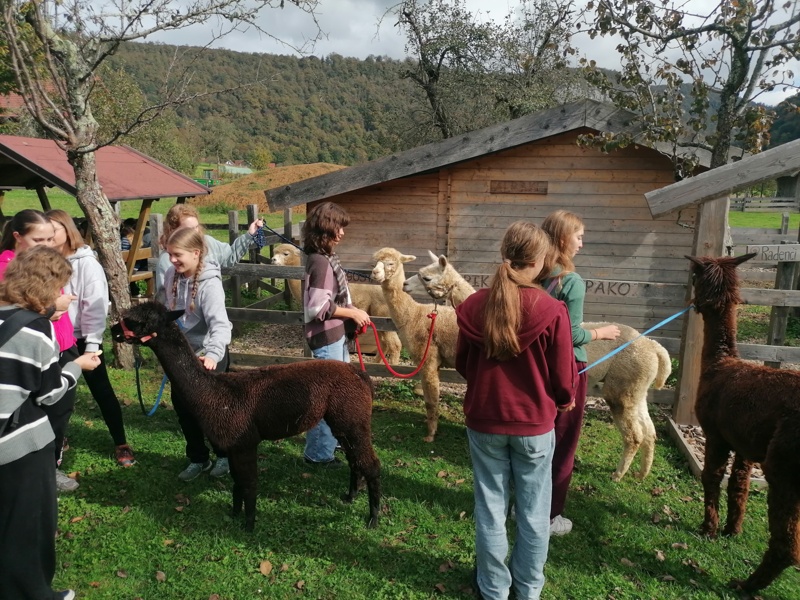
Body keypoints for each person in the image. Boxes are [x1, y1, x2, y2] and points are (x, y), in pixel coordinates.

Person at [455, 221, 577, 600]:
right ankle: (527, 590)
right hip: (534, 425)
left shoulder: (473, 305)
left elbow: (462, 363)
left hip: (484, 420)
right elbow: (563, 375)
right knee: (534, 511)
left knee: (491, 508)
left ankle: (493, 589)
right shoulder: (551, 309)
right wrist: (564, 397)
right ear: (540, 260)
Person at [0, 245, 101, 600]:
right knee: (27, 525)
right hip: (18, 446)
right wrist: (76, 366)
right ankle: (34, 593)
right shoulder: (35, 329)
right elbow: (49, 393)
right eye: (59, 287)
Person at [540, 210, 620, 537]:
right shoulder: (570, 281)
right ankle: (549, 516)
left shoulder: (534, 275)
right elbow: (571, 335)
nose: (581, 244)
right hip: (568, 368)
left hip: (537, 367)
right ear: (563, 239)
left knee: (537, 438)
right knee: (563, 441)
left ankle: (525, 505)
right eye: (579, 237)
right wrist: (602, 333)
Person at [0, 209, 81, 493]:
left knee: (59, 411)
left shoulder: (41, 263)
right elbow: (17, 312)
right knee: (41, 405)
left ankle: (48, 465)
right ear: (18, 237)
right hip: (32, 348)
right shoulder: (9, 266)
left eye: (50, 239)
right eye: (39, 240)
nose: (47, 245)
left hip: (58, 343)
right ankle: (39, 469)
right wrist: (52, 309)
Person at [47, 209, 136, 467]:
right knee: (56, 393)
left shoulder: (87, 264)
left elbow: (95, 308)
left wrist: (92, 345)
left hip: (83, 339)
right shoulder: (46, 261)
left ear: (67, 231)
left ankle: (121, 442)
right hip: (56, 338)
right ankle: (57, 439)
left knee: (102, 391)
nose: (48, 236)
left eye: (53, 230)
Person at [156, 227, 232, 481]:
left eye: (177, 255)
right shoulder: (171, 274)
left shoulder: (210, 284)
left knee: (212, 411)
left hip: (208, 354)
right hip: (183, 355)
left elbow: (220, 325)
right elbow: (167, 309)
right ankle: (198, 458)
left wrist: (213, 355)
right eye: (169, 254)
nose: (172, 260)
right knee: (183, 408)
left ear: (196, 253)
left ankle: (224, 455)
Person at [302, 201, 370, 466]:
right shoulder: (320, 263)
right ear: (325, 228)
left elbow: (331, 300)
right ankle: (318, 454)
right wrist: (351, 314)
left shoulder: (326, 258)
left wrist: (353, 312)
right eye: (338, 227)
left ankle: (330, 442)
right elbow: (317, 308)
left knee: (337, 396)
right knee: (326, 399)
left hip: (335, 337)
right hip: (326, 339)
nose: (342, 233)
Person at [154, 204, 264, 292]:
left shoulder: (208, 243)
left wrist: (249, 234)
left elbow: (230, 255)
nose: (196, 232)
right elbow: (166, 298)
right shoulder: (168, 260)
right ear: (174, 230)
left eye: (196, 227)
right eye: (190, 229)